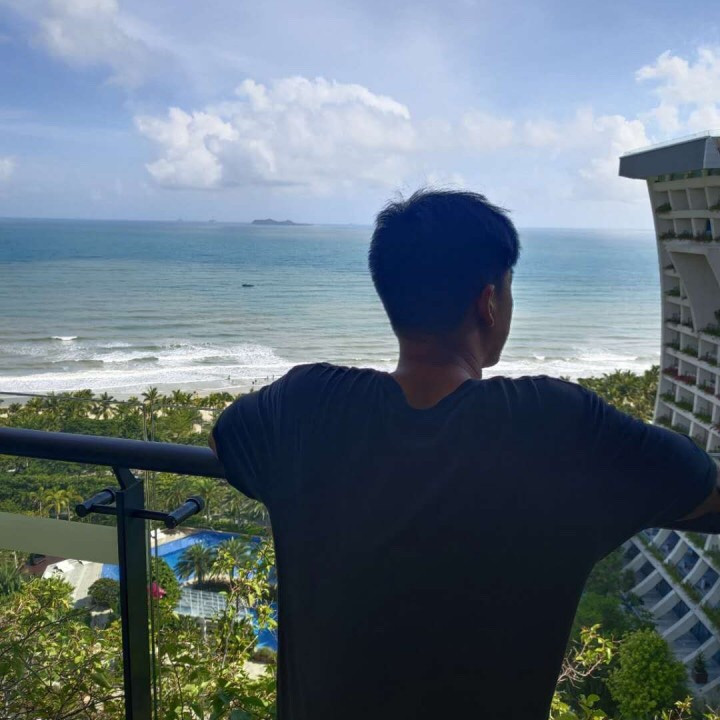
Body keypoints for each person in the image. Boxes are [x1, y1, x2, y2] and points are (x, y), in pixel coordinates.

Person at [209, 189, 720, 720]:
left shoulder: (304, 404)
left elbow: (224, 440)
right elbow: (698, 481)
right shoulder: (557, 424)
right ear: (489, 302)